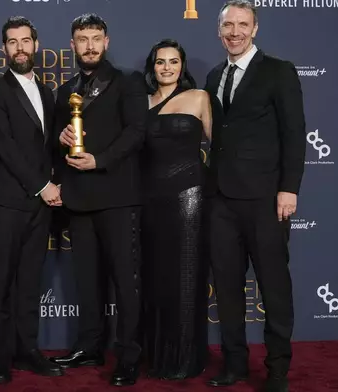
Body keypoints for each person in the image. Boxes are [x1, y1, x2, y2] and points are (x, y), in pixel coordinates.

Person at [203, 2, 306, 391]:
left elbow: (295, 133)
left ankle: (277, 368)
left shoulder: (279, 71)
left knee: (274, 287)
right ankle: (234, 364)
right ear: (219, 31)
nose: (235, 31)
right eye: (228, 24)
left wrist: (288, 189)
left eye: (242, 24)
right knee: (227, 289)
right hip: (221, 201)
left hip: (267, 199)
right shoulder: (214, 76)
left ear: (255, 29)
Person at [49, 14, 147, 386]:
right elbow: (60, 147)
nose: (88, 45)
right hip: (78, 197)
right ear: (72, 45)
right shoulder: (65, 89)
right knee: (86, 281)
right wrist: (61, 141)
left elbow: (137, 132)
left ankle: (128, 355)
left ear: (106, 42)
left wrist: (100, 160)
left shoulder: (127, 81)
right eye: (81, 39)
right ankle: (89, 346)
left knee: (125, 281)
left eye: (95, 38)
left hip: (118, 196)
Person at [0, 16, 63, 384]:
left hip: (40, 207)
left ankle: (27, 351)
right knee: (1, 285)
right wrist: (42, 185)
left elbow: (43, 148)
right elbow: (6, 148)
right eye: (12, 42)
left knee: (30, 284)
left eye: (25, 41)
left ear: (36, 45)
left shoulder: (47, 92)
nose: (19, 48)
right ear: (4, 50)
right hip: (9, 203)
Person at [140, 38, 211, 380]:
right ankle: (158, 356)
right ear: (152, 67)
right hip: (151, 200)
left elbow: (222, 148)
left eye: (173, 61)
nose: (167, 67)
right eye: (160, 62)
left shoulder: (199, 98)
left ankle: (184, 359)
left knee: (186, 278)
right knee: (158, 278)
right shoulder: (143, 102)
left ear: (182, 66)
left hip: (189, 198)